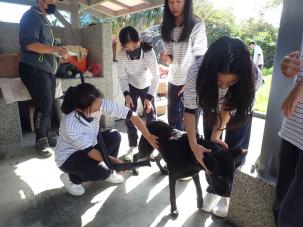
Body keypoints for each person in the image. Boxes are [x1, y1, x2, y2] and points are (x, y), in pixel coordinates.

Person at [183, 36, 264, 217]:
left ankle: (228, 193)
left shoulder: (253, 75)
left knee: (235, 150)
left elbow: (230, 106)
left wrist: (217, 133)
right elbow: (189, 110)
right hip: (210, 105)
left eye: (231, 82)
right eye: (219, 82)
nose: (225, 87)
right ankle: (213, 188)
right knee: (208, 151)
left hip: (239, 108)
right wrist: (194, 144)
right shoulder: (196, 71)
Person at [55, 83, 158, 196]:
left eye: (100, 104)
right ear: (80, 109)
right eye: (95, 108)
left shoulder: (98, 103)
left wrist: (148, 136)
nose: (100, 108)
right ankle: (72, 178)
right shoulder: (71, 124)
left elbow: (131, 115)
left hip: (90, 145)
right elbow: (90, 152)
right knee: (103, 171)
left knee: (115, 136)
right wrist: (113, 162)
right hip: (69, 156)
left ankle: (110, 171)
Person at [19, 0, 69, 157]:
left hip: (47, 69)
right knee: (44, 104)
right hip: (34, 68)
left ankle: (47, 133)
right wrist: (57, 49)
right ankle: (41, 140)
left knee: (49, 103)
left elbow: (45, 48)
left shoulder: (43, 18)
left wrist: (59, 55)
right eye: (52, 0)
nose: (55, 3)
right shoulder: (31, 16)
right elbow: (29, 44)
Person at [160, 0, 207, 130]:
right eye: (170, 2)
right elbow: (172, 59)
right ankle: (175, 148)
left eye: (179, 1)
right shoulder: (165, 26)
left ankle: (191, 149)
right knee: (173, 122)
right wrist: (166, 59)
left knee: (190, 123)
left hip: (192, 81)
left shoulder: (197, 25)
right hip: (173, 80)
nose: (174, 6)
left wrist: (190, 83)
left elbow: (201, 59)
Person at [118, 26, 159, 161]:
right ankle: (133, 145)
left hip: (147, 85)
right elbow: (122, 77)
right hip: (131, 86)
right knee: (129, 116)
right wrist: (126, 95)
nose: (132, 51)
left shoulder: (149, 52)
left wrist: (149, 97)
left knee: (151, 117)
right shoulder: (122, 55)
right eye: (128, 49)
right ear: (123, 47)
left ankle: (151, 146)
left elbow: (156, 77)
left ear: (139, 41)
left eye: (135, 47)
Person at [273, 51, 303, 227]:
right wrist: (288, 67)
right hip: (291, 132)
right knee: (280, 203)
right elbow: (292, 71)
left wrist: (300, 88)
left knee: (291, 216)